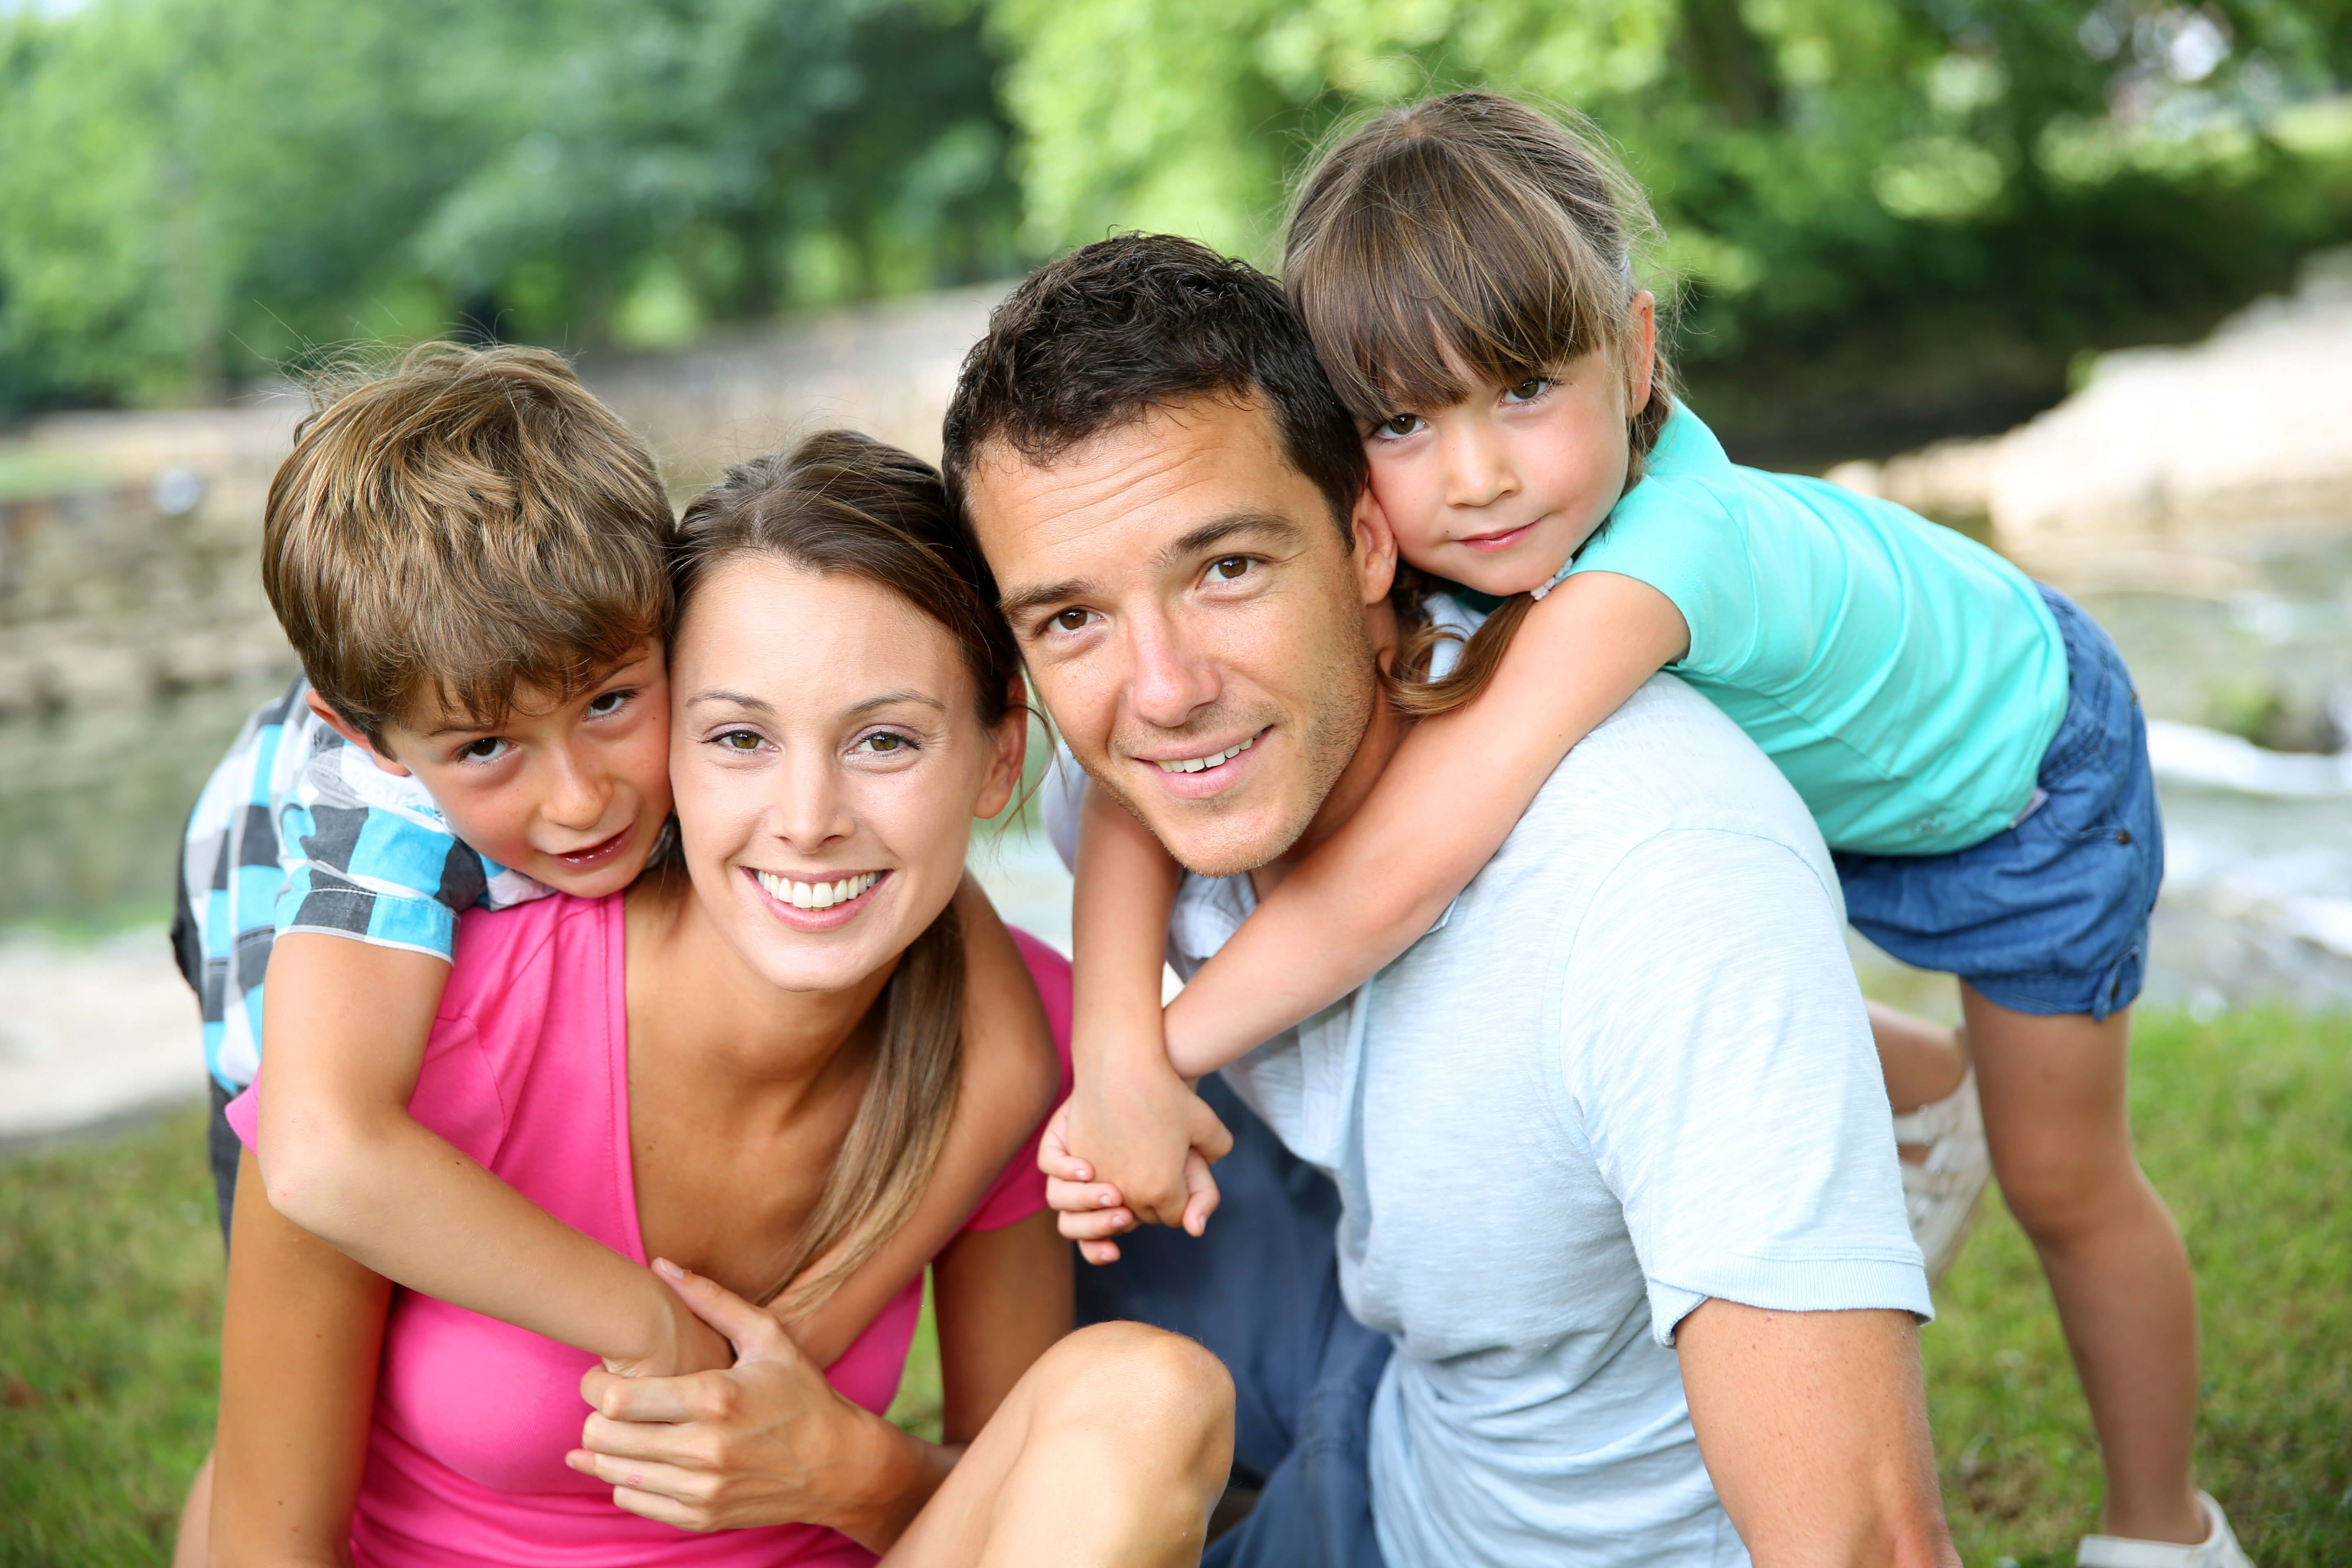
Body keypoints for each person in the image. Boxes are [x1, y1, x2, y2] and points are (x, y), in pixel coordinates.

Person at [1045, 93, 2246, 1568]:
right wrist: (1107, 1044)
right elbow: (1124, 798)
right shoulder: (1485, 540)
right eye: (1403, 421)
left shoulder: (1665, 558)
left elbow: (1408, 870)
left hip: (2018, 785)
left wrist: (1149, 1063)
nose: (1475, 477)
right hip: (1825, 784)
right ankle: (1901, 1080)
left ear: (1637, 352)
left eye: (1524, 393)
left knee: (2067, 1177)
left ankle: (2164, 1529)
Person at [942, 232, 1957, 1567]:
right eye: (1071, 618)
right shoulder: (1159, 777)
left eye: (1227, 568)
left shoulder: (1654, 877)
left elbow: (1863, 1544)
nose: (1164, 688)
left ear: (1368, 538)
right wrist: (1120, 1054)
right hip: (1390, 1409)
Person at [203, 430, 1236, 1567]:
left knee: (1150, 1395)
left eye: (886, 740)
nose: (807, 816)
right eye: (740, 737)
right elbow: (260, 1535)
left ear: (1000, 759)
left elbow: (1006, 1503)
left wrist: (836, 1464)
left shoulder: (1020, 1039)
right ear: (678, 749)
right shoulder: (412, 1050)